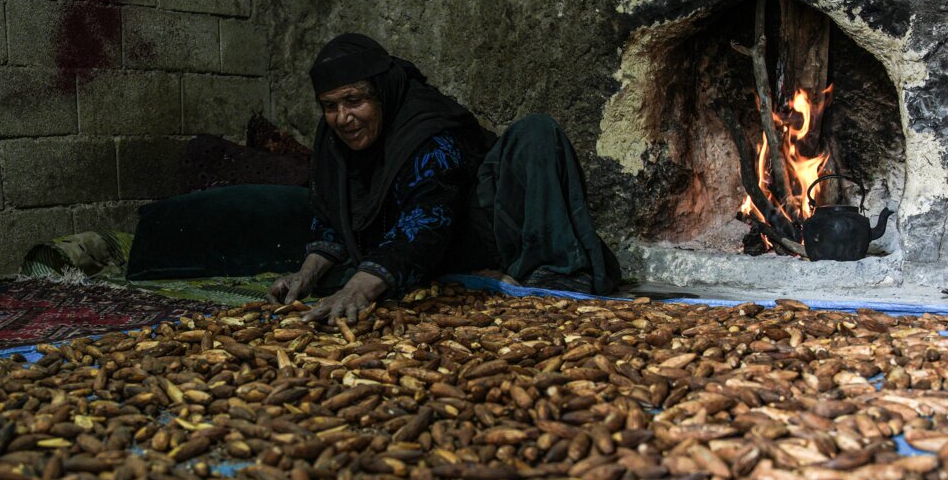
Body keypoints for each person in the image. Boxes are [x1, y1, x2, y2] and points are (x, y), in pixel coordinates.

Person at [127, 33, 619, 318]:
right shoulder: (334, 141)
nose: (343, 118)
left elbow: (428, 219)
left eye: (355, 100)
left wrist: (362, 288)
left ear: (381, 93)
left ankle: (551, 271)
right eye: (330, 106)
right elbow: (330, 219)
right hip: (420, 250)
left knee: (535, 131)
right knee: (347, 272)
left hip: (477, 227)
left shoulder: (426, 127)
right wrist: (305, 275)